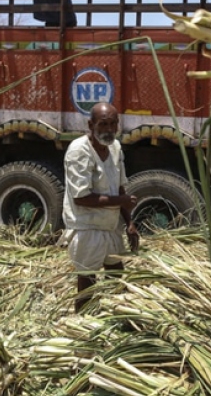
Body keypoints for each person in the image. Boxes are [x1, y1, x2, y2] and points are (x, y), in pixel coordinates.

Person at [62, 102, 139, 313]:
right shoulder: (79, 151)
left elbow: (120, 188)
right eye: (103, 124)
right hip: (86, 227)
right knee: (88, 284)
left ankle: (116, 319)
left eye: (113, 124)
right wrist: (121, 203)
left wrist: (129, 222)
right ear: (91, 124)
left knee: (117, 277)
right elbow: (81, 198)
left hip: (110, 225)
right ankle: (83, 327)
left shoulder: (115, 148)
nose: (108, 130)